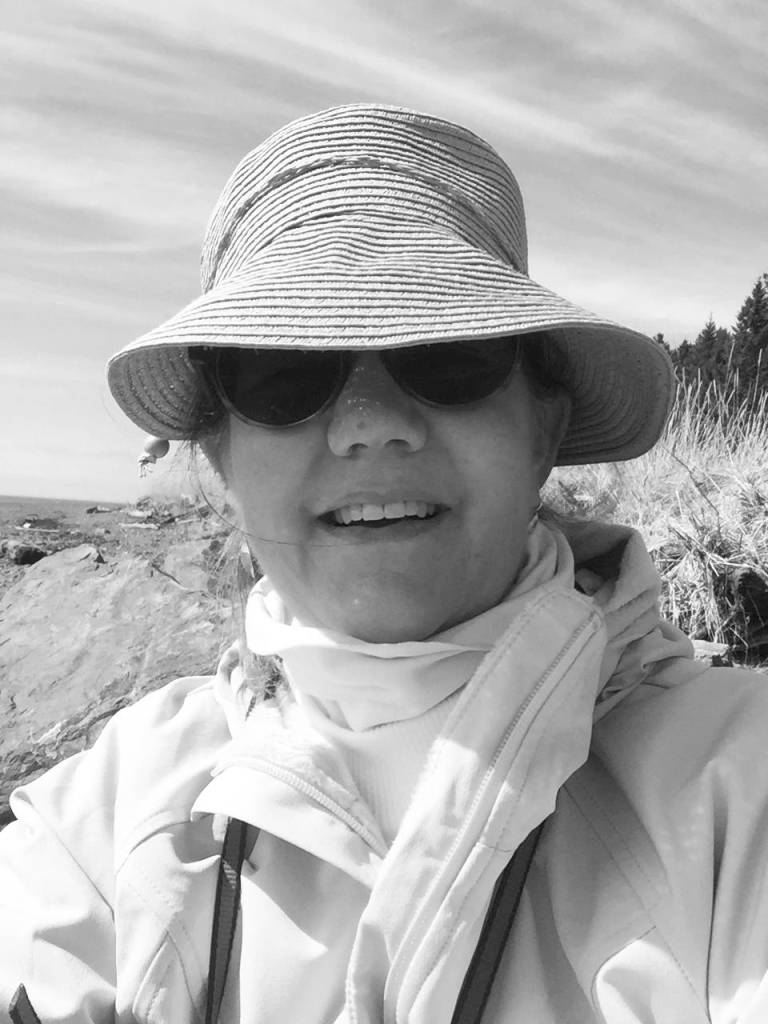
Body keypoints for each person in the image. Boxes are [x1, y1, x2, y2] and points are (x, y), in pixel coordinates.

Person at [1, 103, 767, 1024]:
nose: (370, 424)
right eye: (282, 373)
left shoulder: (736, 788)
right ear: (221, 456)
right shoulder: (108, 814)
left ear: (543, 431)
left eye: (447, 355)